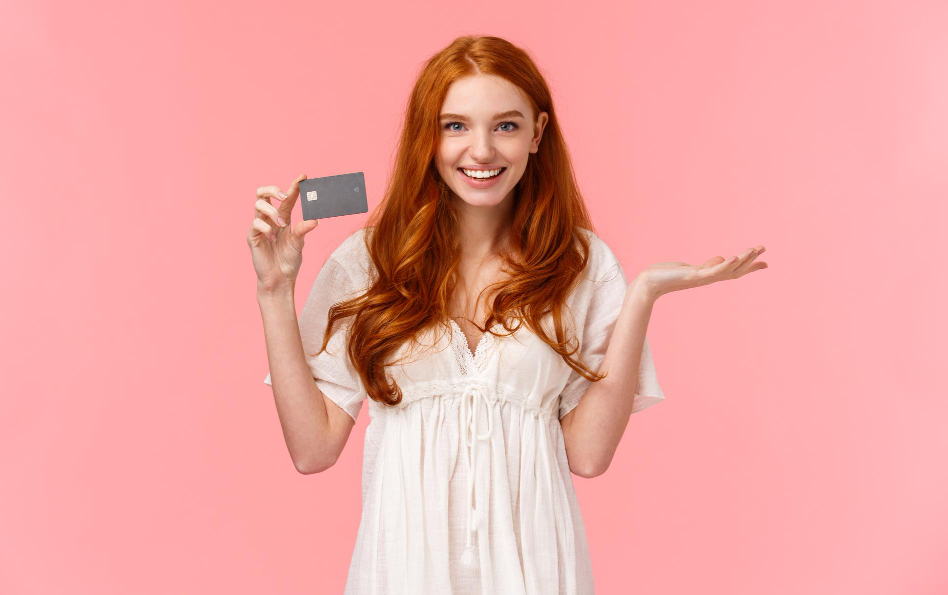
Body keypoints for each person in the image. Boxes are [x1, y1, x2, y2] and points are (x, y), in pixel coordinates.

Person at [247, 35, 767, 594]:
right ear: (428, 137)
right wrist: (275, 292)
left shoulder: (582, 266)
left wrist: (642, 295)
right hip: (401, 575)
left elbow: (588, 457)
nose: (481, 150)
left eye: (506, 126)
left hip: (536, 575)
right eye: (455, 126)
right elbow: (312, 449)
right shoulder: (368, 264)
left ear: (537, 133)